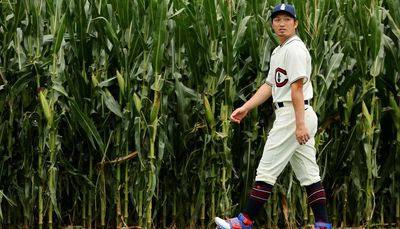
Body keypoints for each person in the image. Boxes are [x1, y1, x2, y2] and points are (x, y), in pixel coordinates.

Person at [214, 3, 332, 229]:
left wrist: (298, 125)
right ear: (272, 24)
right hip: (297, 114)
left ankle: (243, 221)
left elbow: (297, 88)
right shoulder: (280, 50)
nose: (281, 23)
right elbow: (270, 85)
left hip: (293, 114)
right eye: (277, 19)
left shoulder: (294, 49)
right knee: (309, 174)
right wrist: (247, 107)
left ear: (295, 23)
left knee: (266, 169)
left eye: (287, 19)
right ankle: (323, 225)